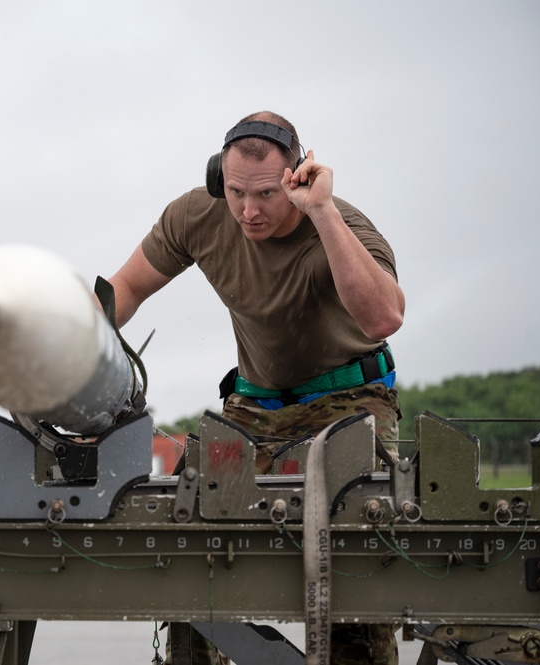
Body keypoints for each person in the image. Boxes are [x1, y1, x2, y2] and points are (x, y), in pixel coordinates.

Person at [106, 111, 405, 665]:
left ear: (299, 177)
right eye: (237, 192)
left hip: (350, 398)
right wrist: (73, 336)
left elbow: (384, 317)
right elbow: (125, 287)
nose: (249, 210)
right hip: (254, 402)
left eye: (267, 194)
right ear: (219, 179)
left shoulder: (342, 227)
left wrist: (322, 213)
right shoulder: (198, 214)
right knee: (193, 518)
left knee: (359, 537)